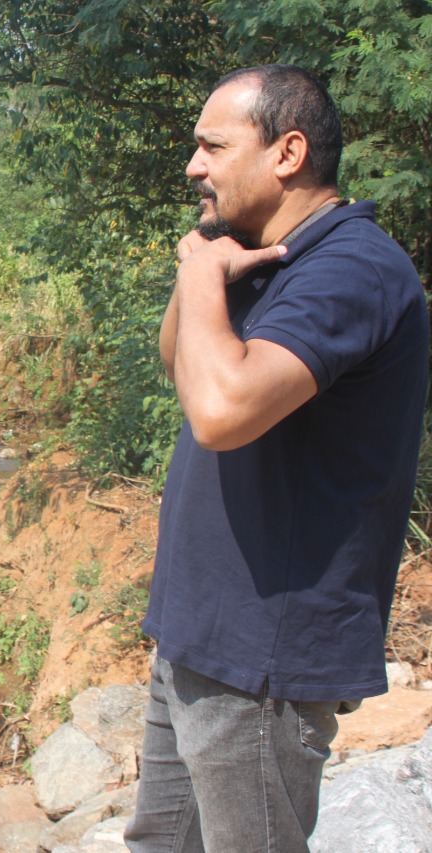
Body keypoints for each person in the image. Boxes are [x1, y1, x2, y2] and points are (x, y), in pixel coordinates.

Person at [124, 65, 429, 852]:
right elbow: (180, 365)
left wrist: (200, 271)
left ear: (287, 152)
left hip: (262, 658)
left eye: (212, 146)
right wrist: (207, 265)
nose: (194, 165)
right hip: (200, 634)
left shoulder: (349, 269)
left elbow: (222, 411)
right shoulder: (265, 254)